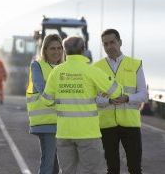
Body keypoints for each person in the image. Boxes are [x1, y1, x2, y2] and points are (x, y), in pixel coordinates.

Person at [41, 36, 123, 174]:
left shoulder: (56, 72)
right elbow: (116, 92)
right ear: (83, 50)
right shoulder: (91, 71)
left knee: (68, 171)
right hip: (88, 133)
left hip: (64, 132)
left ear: (65, 51)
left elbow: (47, 100)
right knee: (91, 170)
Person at [94, 29, 148, 174]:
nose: (109, 46)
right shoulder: (96, 68)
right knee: (112, 169)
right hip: (106, 125)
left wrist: (128, 98)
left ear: (120, 42)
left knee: (135, 168)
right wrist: (109, 101)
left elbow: (144, 94)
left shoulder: (135, 64)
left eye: (112, 42)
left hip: (130, 124)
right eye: (105, 44)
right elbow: (93, 98)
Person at [26, 34, 64, 174]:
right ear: (45, 50)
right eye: (52, 48)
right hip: (45, 122)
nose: (56, 51)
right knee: (48, 162)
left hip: (61, 122)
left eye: (59, 48)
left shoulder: (64, 67)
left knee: (54, 164)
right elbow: (42, 88)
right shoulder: (37, 65)